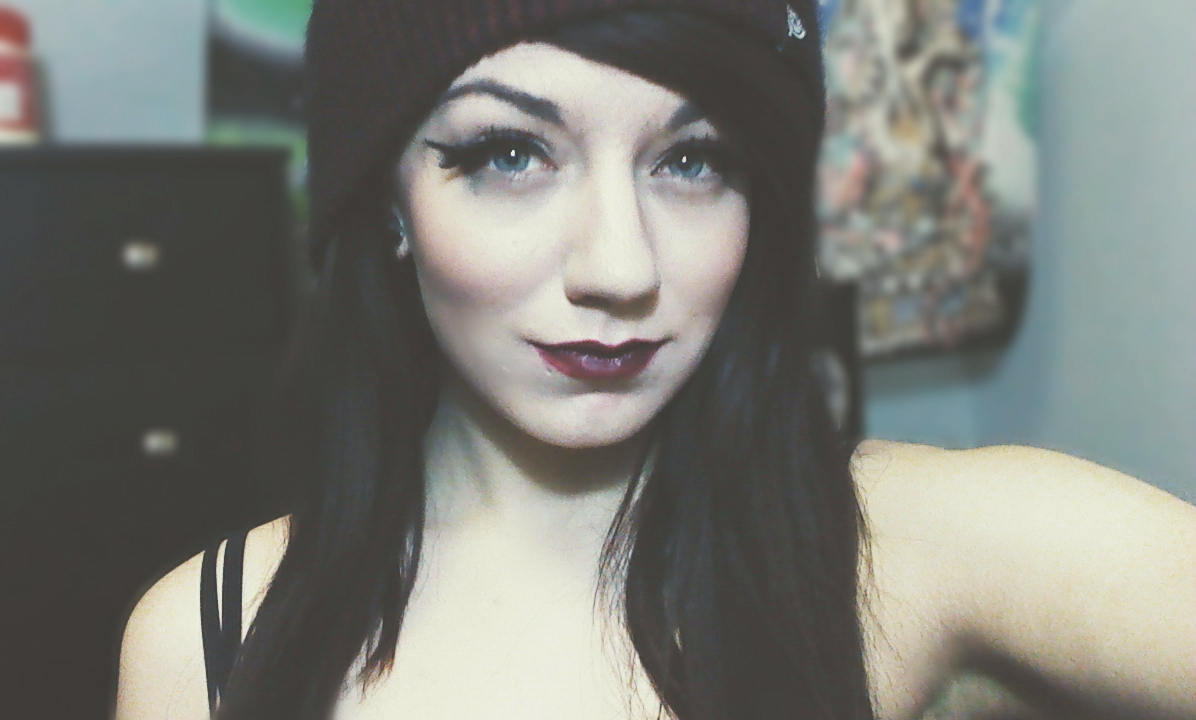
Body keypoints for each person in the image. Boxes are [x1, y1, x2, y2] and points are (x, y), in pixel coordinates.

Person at [115, 1, 1196, 719]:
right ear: (386, 199)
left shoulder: (916, 551)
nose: (619, 267)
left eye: (692, 160)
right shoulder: (203, 645)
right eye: (509, 153)